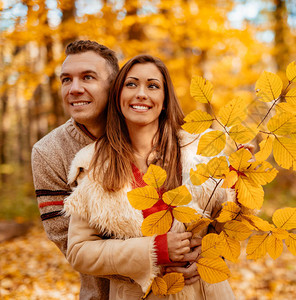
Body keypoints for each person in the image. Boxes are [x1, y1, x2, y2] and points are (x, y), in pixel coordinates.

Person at [63, 54, 236, 299]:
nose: (141, 94)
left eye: (153, 86)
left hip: (206, 292)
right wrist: (153, 250)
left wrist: (210, 251)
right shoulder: (94, 163)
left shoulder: (200, 149)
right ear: (118, 96)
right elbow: (79, 251)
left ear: (164, 100)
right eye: (131, 84)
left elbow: (233, 225)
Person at [31, 40, 120, 299]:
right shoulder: (48, 152)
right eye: (66, 79)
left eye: (88, 77)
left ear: (114, 86)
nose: (74, 89)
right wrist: (157, 256)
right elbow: (72, 246)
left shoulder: (143, 130)